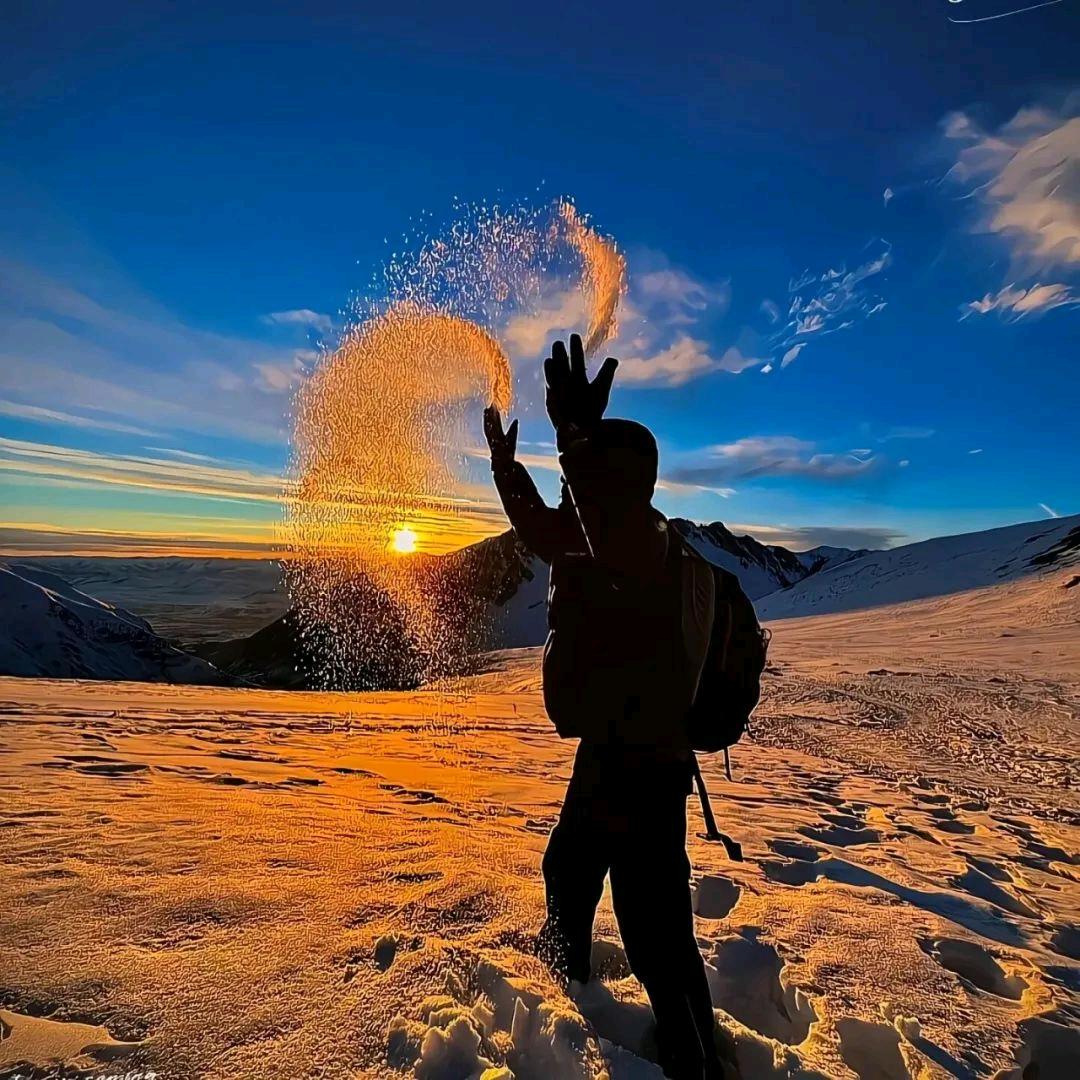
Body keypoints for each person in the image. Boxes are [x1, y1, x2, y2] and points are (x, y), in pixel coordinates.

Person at [483, 334, 734, 1080]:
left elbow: (599, 525)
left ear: (622, 484)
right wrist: (506, 467)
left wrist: (573, 439)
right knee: (568, 870)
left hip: (648, 763)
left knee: (655, 930)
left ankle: (698, 1062)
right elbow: (542, 527)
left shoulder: (644, 547)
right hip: (610, 753)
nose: (579, 496)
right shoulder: (604, 542)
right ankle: (568, 987)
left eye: (592, 480)